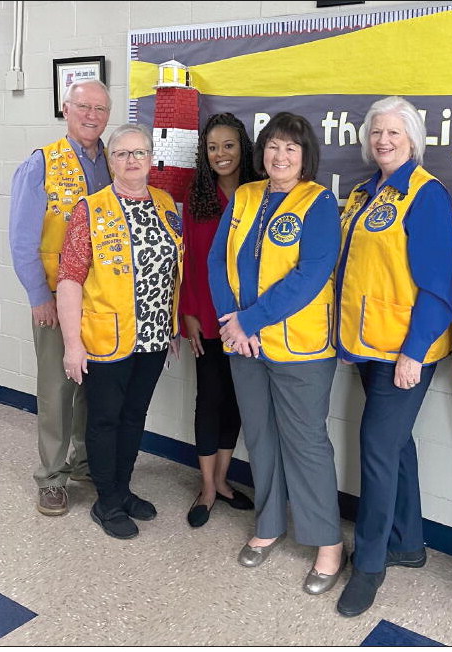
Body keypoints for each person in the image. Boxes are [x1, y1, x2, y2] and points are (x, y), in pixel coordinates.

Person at [208, 112, 346, 595]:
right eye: (272, 146)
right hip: (243, 344)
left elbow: (310, 275)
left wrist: (252, 319)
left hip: (300, 349)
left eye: (290, 148)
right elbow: (216, 259)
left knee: (306, 443)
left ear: (305, 156)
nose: (279, 156)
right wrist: (233, 322)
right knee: (261, 437)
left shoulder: (319, 202)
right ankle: (269, 524)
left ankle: (328, 544)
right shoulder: (245, 196)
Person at [335, 96, 452, 617]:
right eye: (377, 133)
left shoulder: (426, 195)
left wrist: (412, 354)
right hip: (367, 345)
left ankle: (371, 565)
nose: (383, 141)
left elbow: (437, 288)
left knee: (376, 448)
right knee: (395, 444)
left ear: (412, 140)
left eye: (394, 134)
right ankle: (408, 541)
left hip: (405, 351)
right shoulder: (365, 192)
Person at [56, 123, 184, 539]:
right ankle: (106, 501)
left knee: (134, 417)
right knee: (105, 420)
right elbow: (70, 279)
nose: (132, 160)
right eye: (123, 153)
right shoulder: (89, 209)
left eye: (140, 153)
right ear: (110, 160)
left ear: (151, 158)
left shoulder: (165, 204)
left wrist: (174, 323)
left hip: (152, 335)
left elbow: (174, 270)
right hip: (106, 338)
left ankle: (123, 489)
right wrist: (72, 344)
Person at [9, 79, 112, 516]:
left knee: (94, 387)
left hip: (101, 300)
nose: (92, 115)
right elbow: (20, 239)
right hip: (54, 297)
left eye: (101, 109)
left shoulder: (114, 160)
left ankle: (86, 463)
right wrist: (38, 296)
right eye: (84, 106)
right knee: (57, 390)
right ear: (66, 109)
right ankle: (52, 478)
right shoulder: (42, 164)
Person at [180, 113, 258, 527]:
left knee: (235, 400)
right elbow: (189, 259)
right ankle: (207, 488)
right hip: (207, 318)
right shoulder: (198, 195)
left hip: (246, 319)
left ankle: (224, 481)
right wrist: (188, 314)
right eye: (212, 147)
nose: (220, 154)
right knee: (209, 398)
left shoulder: (258, 192)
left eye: (228, 145)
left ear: (242, 148)